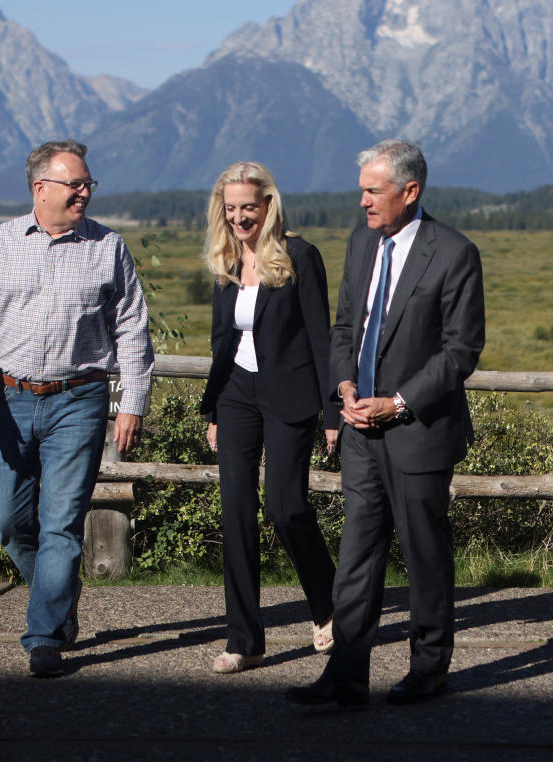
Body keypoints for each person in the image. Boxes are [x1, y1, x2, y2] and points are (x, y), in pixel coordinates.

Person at [286, 139, 485, 708]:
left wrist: (397, 402)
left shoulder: (453, 252)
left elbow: (461, 350)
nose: (363, 203)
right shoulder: (360, 244)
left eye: (373, 191)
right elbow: (346, 324)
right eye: (362, 191)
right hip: (359, 430)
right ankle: (347, 674)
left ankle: (429, 668)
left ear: (410, 191)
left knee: (425, 554)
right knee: (357, 555)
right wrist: (345, 386)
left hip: (418, 431)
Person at [0, 139, 154, 679]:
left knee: (61, 524)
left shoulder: (108, 246)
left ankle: (43, 636)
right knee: (8, 519)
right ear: (41, 189)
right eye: (76, 184)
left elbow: (133, 326)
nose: (85, 191)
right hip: (10, 400)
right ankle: (60, 597)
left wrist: (132, 401)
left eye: (89, 183)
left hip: (79, 400)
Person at [199, 161, 338, 674]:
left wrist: (332, 410)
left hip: (291, 394)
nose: (239, 218)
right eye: (231, 208)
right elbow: (221, 341)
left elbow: (321, 337)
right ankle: (245, 640)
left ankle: (327, 604)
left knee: (286, 507)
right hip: (236, 393)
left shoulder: (300, 255)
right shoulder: (226, 259)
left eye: (248, 208)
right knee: (235, 511)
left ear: (268, 206)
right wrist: (214, 407)